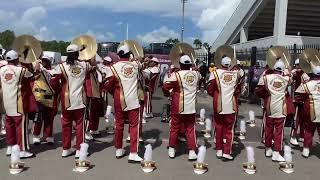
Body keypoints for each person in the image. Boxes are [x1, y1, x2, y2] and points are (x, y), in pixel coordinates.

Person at [50, 44, 93, 158]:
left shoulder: (62, 66)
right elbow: (92, 67)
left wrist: (61, 88)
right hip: (80, 100)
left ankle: (66, 148)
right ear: (77, 53)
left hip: (66, 100)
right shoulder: (84, 65)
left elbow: (53, 82)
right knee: (80, 125)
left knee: (66, 125)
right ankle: (80, 150)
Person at [102, 44, 143, 163]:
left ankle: (119, 149)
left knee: (119, 125)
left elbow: (107, 86)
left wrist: (114, 93)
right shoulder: (135, 65)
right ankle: (133, 153)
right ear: (129, 54)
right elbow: (140, 61)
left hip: (119, 100)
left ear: (118, 55)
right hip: (133, 100)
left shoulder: (113, 68)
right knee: (134, 126)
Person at [255, 58, 294, 162]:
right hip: (280, 107)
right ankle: (276, 152)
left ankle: (268, 149)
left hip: (269, 106)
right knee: (279, 131)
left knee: (268, 128)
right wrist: (289, 70)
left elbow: (258, 89)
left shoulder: (266, 77)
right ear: (282, 69)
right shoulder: (286, 79)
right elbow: (291, 78)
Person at [162, 54, 200, 161]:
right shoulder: (197, 74)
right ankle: (192, 151)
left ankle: (172, 149)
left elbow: (165, 86)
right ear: (190, 64)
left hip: (177, 106)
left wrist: (170, 92)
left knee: (174, 128)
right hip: (191, 106)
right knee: (190, 129)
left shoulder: (176, 75)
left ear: (180, 64)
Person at [0, 50, 37, 158]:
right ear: (17, 59)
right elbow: (32, 77)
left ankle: (10, 147)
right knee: (21, 128)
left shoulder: (1, 70)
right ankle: (22, 150)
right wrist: (37, 69)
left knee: (9, 127)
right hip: (18, 103)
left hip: (6, 103)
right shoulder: (22, 70)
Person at [207, 56, 243, 161]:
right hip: (231, 105)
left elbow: (209, 89)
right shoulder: (236, 74)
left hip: (218, 104)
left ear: (221, 63)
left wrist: (215, 95)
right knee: (229, 130)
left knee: (218, 127)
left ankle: (219, 150)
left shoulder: (215, 73)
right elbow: (238, 90)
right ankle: (227, 152)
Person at [32, 55, 59, 145]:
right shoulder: (38, 69)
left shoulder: (53, 71)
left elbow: (55, 83)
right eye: (42, 60)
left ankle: (48, 136)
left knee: (49, 117)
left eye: (45, 60)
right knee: (38, 116)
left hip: (49, 96)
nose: (43, 62)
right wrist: (37, 65)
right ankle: (36, 135)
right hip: (39, 95)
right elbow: (33, 76)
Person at [295, 64, 320, 158]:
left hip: (311, 110)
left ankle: (306, 149)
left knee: (309, 129)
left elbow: (298, 95)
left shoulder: (307, 84)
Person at [290, 59, 305, 145]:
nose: (299, 66)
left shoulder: (305, 72)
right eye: (298, 64)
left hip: (304, 98)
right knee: (296, 118)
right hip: (296, 98)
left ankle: (302, 135)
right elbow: (294, 77)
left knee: (304, 118)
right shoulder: (294, 72)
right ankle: (293, 136)